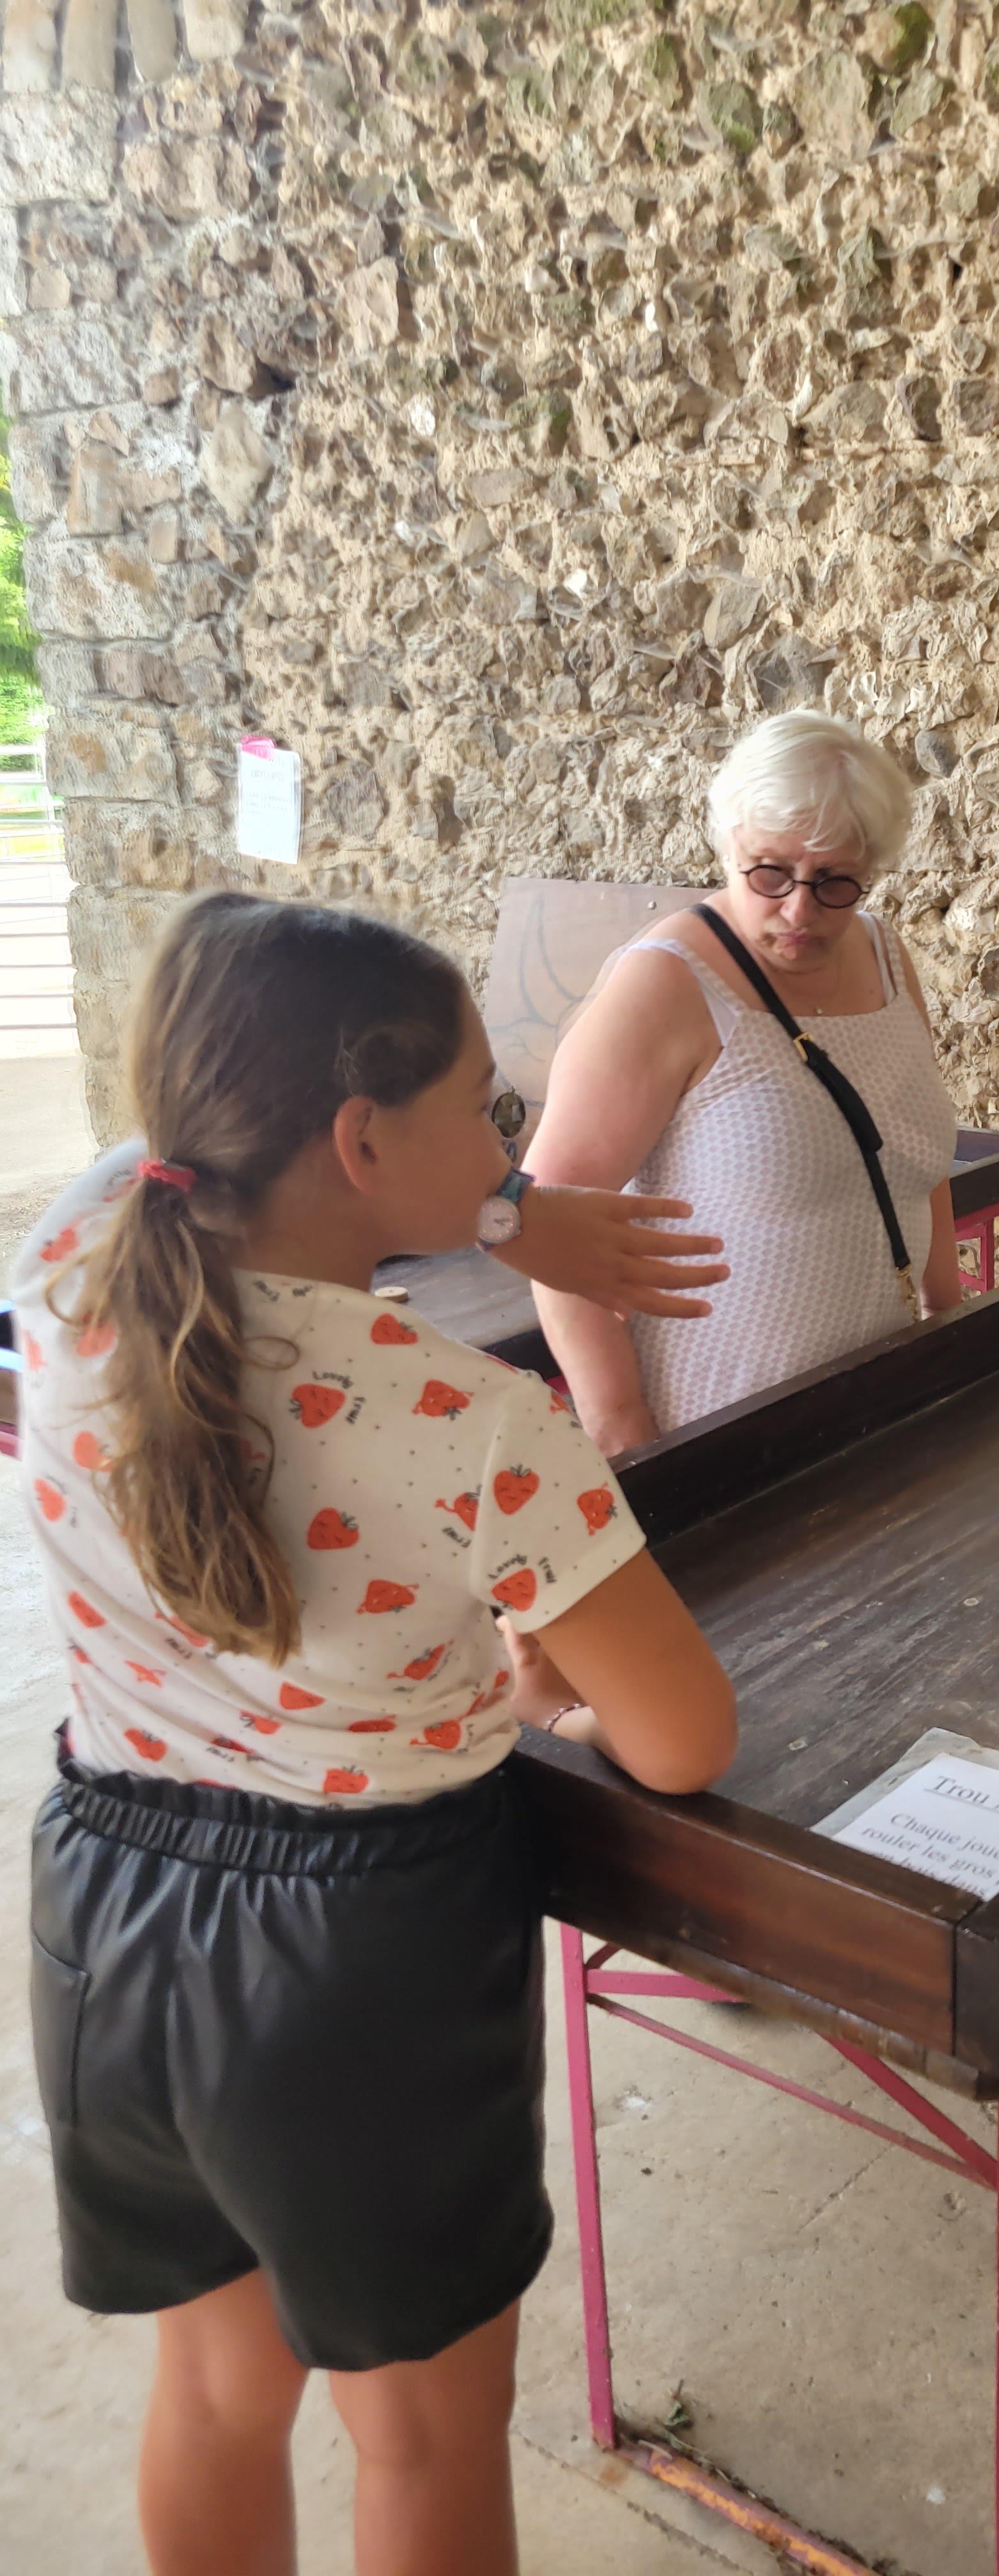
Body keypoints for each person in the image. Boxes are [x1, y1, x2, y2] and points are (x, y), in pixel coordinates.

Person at [15, 891, 738, 2576]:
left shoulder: (71, 1265)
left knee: (213, 2394)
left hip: (103, 1907)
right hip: (361, 1957)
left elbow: (163, 1158)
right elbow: (684, 1738)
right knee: (417, 2437)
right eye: (487, 1107)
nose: (511, 1149)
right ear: (359, 1140)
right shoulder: (475, 1422)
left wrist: (502, 1212)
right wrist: (528, 1686)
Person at [523, 710, 963, 1455]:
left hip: (881, 1408)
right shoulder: (668, 984)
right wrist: (627, 1435)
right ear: (727, 844)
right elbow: (549, 1221)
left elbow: (914, 1161)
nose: (799, 910)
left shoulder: (886, 957)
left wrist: (949, 1319)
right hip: (719, 1433)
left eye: (836, 882)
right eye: (769, 872)